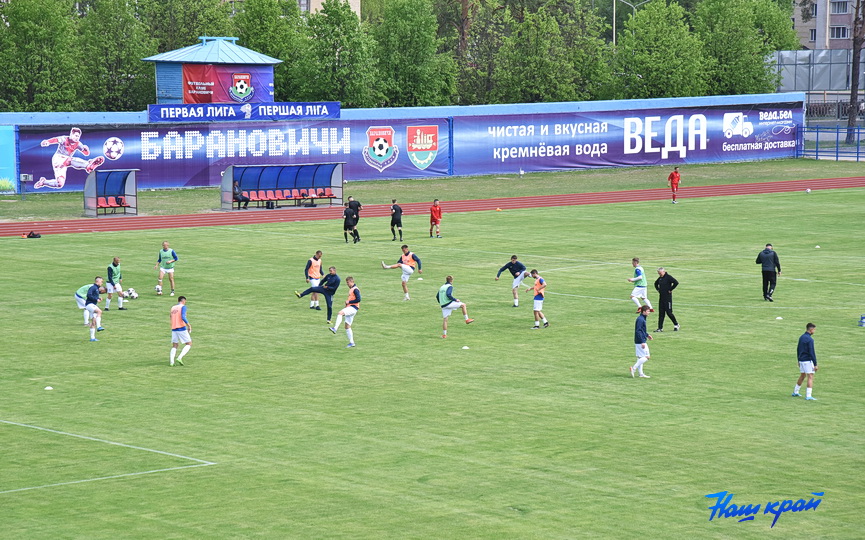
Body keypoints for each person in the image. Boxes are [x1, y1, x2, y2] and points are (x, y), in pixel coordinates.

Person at [33, 127, 104, 189]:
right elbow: (56, 140)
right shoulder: (64, 139)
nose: (77, 138)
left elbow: (86, 153)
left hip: (66, 160)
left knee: (60, 184)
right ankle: (87, 165)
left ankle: (44, 182)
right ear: (71, 134)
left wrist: (86, 149)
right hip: (58, 158)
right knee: (70, 160)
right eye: (76, 135)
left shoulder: (78, 143)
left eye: (78, 136)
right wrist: (47, 141)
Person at [329, 276, 361, 348]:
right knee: (347, 326)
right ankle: (352, 343)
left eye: (347, 282)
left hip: (353, 308)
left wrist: (349, 301)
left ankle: (335, 328)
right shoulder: (352, 289)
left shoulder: (355, 289)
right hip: (352, 308)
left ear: (351, 281)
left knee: (340, 313)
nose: (347, 284)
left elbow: (359, 299)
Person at [793, 323, 818, 400]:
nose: (814, 331)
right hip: (807, 360)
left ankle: (795, 391)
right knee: (810, 376)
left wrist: (798, 359)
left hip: (801, 360)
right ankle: (808, 395)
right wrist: (815, 364)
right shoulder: (810, 340)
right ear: (811, 330)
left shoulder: (801, 337)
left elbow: (798, 349)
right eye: (814, 329)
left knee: (802, 375)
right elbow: (812, 352)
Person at [630, 305, 653, 378]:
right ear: (644, 312)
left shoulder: (642, 318)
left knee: (640, 357)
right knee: (647, 356)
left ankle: (641, 374)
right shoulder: (641, 319)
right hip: (640, 341)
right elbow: (638, 331)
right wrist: (642, 341)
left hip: (639, 340)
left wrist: (647, 335)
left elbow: (642, 330)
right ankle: (634, 368)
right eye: (648, 311)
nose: (649, 312)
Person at [653, 267, 679, 332]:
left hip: (668, 298)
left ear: (664, 272)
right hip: (661, 298)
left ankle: (676, 324)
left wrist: (670, 289)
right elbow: (655, 283)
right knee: (661, 313)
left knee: (669, 313)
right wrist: (658, 289)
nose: (659, 274)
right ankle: (660, 328)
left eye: (660, 273)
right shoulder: (660, 278)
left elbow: (676, 282)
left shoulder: (668, 277)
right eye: (658, 273)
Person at [169, 296, 192, 366]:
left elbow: (170, 316)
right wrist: (188, 325)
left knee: (175, 345)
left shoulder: (173, 307)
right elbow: (183, 316)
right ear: (183, 300)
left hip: (174, 328)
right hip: (181, 328)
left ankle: (171, 362)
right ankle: (180, 357)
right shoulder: (183, 307)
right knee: (189, 343)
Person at [85, 277, 106, 341]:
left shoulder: (96, 288)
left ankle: (92, 338)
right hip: (89, 304)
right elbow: (89, 294)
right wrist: (96, 299)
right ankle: (99, 326)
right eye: (101, 281)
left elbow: (93, 296)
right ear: (98, 281)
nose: (102, 283)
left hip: (92, 305)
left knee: (93, 322)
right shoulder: (93, 287)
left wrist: (98, 299)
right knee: (99, 311)